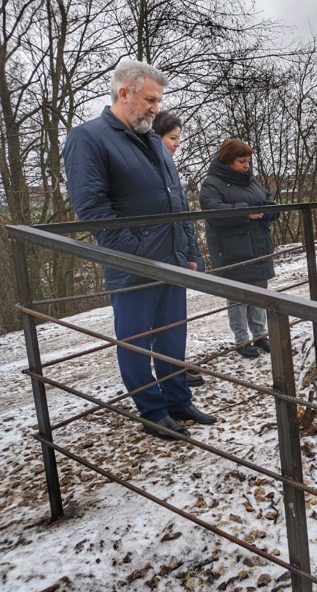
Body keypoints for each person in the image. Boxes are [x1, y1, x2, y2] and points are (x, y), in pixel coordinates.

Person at [63, 59, 217, 439]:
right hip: (133, 266)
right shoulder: (89, 138)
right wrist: (137, 253)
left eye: (158, 101)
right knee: (135, 342)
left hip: (172, 260)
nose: (155, 108)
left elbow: (176, 200)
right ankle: (152, 410)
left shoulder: (152, 139)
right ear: (124, 92)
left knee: (172, 336)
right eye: (150, 99)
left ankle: (178, 400)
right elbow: (94, 210)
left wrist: (189, 250)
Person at [199, 138, 278, 359]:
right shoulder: (211, 184)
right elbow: (212, 209)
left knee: (259, 292)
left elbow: (267, 199)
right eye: (241, 161)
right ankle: (242, 340)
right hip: (231, 249)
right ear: (228, 161)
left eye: (248, 161)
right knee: (238, 297)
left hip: (258, 244)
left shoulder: (251, 180)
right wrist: (245, 212)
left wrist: (268, 210)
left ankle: (260, 335)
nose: (246, 165)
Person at [152, 111, 204, 387]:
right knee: (159, 323)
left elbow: (183, 217)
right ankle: (164, 374)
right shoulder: (152, 173)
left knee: (174, 322)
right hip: (155, 256)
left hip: (177, 255)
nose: (177, 144)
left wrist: (191, 254)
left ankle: (174, 370)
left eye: (178, 138)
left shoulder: (171, 171)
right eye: (172, 138)